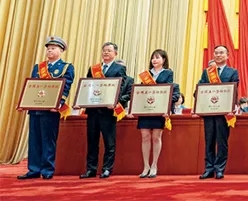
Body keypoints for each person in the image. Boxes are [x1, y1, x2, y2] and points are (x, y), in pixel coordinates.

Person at [17, 36, 75, 180]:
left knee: (48, 140)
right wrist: (24, 103)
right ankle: (33, 169)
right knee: (34, 140)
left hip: (51, 110)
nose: (49, 50)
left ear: (61, 51)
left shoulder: (66, 67)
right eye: (48, 48)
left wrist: (59, 104)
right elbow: (31, 87)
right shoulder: (38, 67)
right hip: (35, 109)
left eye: (53, 48)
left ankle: (47, 170)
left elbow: (66, 87)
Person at [80, 42, 126, 179]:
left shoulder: (119, 68)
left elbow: (121, 86)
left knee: (109, 141)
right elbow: (87, 86)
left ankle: (107, 168)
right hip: (93, 110)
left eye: (109, 50)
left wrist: (114, 101)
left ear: (115, 53)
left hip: (108, 111)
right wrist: (82, 101)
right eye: (104, 50)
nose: (106, 52)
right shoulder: (94, 69)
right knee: (92, 141)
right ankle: (91, 169)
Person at [135, 49, 180, 179]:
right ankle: (146, 166)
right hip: (146, 109)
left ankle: (154, 165)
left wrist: (167, 109)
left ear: (163, 60)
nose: (154, 60)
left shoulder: (168, 73)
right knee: (145, 137)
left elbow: (168, 91)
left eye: (157, 57)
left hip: (159, 109)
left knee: (156, 137)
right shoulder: (146, 74)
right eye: (153, 58)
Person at [198, 45, 239, 180]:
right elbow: (200, 88)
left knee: (222, 141)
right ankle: (209, 168)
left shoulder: (232, 72)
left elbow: (234, 91)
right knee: (209, 140)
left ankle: (220, 169)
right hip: (209, 111)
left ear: (227, 56)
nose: (218, 55)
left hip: (224, 112)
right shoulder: (207, 72)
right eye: (216, 53)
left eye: (221, 53)